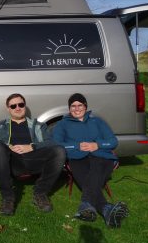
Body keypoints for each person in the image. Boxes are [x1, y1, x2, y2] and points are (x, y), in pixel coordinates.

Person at [52, 93, 128, 226]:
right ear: (69, 109)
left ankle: (86, 204)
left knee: (95, 170)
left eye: (79, 105)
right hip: (77, 157)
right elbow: (55, 144)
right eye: (73, 106)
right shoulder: (62, 124)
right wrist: (77, 145)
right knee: (87, 175)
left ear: (85, 106)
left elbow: (113, 141)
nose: (76, 109)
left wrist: (97, 145)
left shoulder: (97, 121)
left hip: (102, 156)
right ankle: (106, 209)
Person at [0, 93, 66, 215]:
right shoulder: (0, 126)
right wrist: (8, 147)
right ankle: (8, 197)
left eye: (21, 104)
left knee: (59, 151)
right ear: (8, 108)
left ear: (25, 106)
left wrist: (31, 146)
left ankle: (40, 193)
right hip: (11, 161)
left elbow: (50, 142)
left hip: (33, 159)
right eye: (13, 106)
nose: (17, 108)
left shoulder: (38, 125)